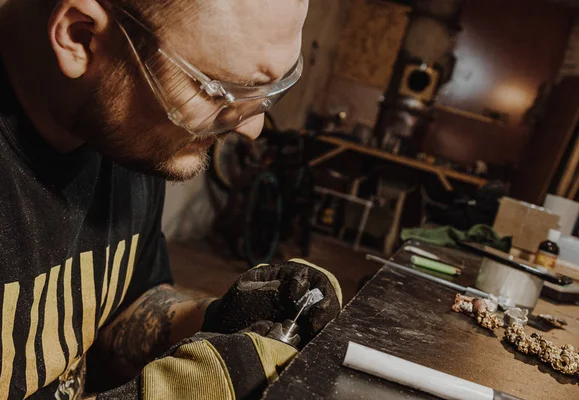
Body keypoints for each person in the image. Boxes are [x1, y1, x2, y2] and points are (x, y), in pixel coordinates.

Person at [0, 0, 343, 399]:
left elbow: (114, 312)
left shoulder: (123, 123)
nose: (253, 128)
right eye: (221, 90)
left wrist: (218, 319)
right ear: (82, 36)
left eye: (270, 92)